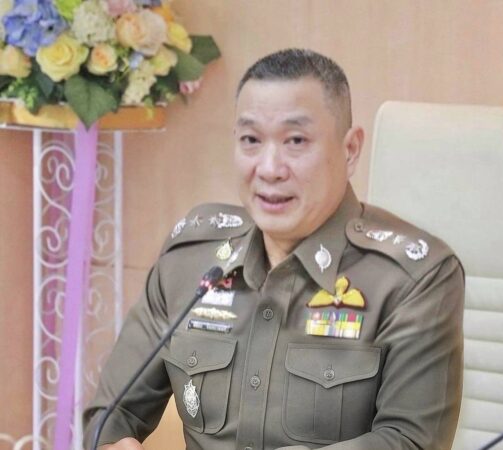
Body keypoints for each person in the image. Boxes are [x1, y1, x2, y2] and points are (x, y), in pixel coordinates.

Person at [84, 48, 464, 450]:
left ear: (350, 150)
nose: (268, 168)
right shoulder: (191, 259)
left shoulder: (413, 278)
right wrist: (113, 442)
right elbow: (110, 414)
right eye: (251, 140)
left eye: (296, 141)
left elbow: (410, 442)